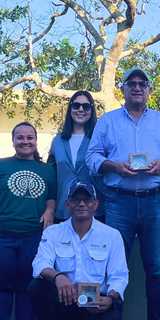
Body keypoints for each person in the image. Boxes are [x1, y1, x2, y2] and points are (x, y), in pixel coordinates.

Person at [86, 67, 160, 320]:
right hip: (119, 201)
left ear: (150, 90)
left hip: (154, 202)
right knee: (113, 268)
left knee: (156, 271)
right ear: (124, 89)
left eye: (143, 84)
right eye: (132, 83)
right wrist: (114, 166)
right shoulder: (107, 121)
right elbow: (92, 157)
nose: (138, 87)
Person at [28, 182, 129, 320]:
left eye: (87, 199)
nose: (81, 204)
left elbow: (119, 275)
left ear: (96, 204)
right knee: (36, 287)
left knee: (110, 318)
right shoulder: (53, 232)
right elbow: (40, 263)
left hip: (95, 303)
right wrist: (58, 276)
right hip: (64, 300)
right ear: (67, 204)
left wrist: (112, 299)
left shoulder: (111, 235)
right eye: (76, 199)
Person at [0, 122, 57, 320]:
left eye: (30, 137)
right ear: (13, 141)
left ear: (36, 141)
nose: (25, 141)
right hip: (0, 235)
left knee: (28, 286)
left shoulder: (47, 169)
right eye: (20, 137)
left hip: (33, 236)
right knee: (0, 286)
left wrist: (49, 211)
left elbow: (51, 197)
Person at [48, 91, 103, 224]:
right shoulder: (57, 141)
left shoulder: (99, 139)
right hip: (63, 209)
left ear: (91, 110)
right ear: (70, 108)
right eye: (76, 105)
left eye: (86, 106)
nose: (80, 109)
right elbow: (51, 177)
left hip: (95, 211)